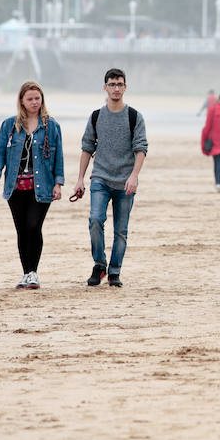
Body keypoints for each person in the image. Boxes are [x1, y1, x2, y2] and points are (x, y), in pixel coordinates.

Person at [73, 68, 148, 288]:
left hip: (125, 181)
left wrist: (134, 176)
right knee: (95, 220)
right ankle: (99, 265)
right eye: (112, 84)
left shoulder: (134, 117)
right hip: (100, 178)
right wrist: (80, 179)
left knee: (121, 230)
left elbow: (141, 148)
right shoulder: (96, 116)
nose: (116, 88)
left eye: (120, 84)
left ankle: (114, 271)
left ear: (125, 87)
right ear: (105, 87)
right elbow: (87, 148)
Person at [0, 81, 65, 289]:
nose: (34, 102)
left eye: (37, 98)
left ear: (42, 100)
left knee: (34, 226)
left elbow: (59, 157)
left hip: (42, 186)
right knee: (22, 230)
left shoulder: (51, 126)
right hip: (15, 187)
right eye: (30, 99)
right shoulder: (9, 126)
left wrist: (58, 183)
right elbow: (0, 153)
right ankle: (27, 273)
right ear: (21, 101)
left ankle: (34, 273)